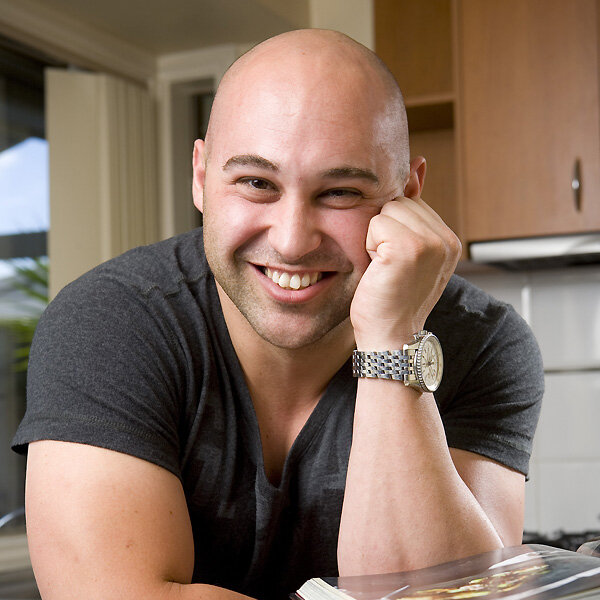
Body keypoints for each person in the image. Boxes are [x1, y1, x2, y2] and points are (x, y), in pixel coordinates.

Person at [12, 29, 543, 600]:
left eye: (340, 192)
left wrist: (393, 339)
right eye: (256, 183)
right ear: (201, 177)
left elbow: (454, 594)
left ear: (408, 194)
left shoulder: (480, 341)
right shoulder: (109, 323)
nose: (291, 241)